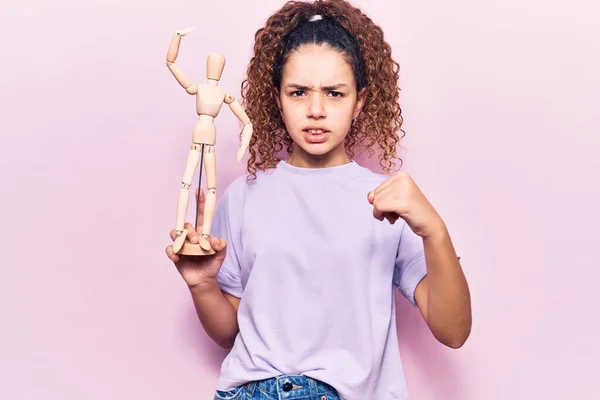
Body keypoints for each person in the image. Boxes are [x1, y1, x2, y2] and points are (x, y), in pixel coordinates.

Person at [165, 0, 472, 399]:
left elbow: (453, 331)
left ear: (359, 101)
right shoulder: (244, 196)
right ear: (277, 99)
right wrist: (204, 285)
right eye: (298, 92)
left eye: (334, 93)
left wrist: (435, 230)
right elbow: (229, 333)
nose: (315, 110)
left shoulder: (391, 201)